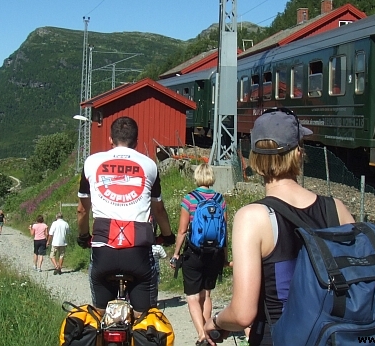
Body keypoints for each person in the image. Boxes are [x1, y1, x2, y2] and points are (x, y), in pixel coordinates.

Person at [201, 108, 355, 346]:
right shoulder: (337, 209)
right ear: (299, 153)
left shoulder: (253, 218)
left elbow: (242, 314)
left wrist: (217, 322)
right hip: (335, 336)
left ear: (254, 158)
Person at [77, 116, 176, 314]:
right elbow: (159, 210)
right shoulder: (149, 165)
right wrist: (167, 236)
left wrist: (83, 236)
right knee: (143, 317)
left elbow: (82, 210)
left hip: (103, 248)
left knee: (98, 314)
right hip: (138, 250)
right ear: (136, 142)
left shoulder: (92, 162)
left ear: (110, 140)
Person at [169, 163, 228, 344]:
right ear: (211, 177)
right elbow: (224, 230)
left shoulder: (189, 199)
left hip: (194, 253)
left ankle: (202, 335)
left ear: (196, 177)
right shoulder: (220, 200)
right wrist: (224, 257)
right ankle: (209, 333)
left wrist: (176, 254)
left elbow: (182, 231)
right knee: (206, 295)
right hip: (215, 254)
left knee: (193, 297)